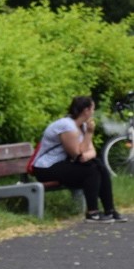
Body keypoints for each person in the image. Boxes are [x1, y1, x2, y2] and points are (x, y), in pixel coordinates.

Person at [32, 96, 127, 224]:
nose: (94, 112)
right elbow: (77, 155)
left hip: (61, 164)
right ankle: (92, 213)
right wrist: (89, 134)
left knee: (99, 165)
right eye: (93, 109)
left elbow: (91, 152)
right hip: (45, 168)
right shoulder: (67, 127)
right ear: (86, 110)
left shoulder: (82, 125)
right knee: (91, 170)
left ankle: (109, 210)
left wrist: (87, 155)